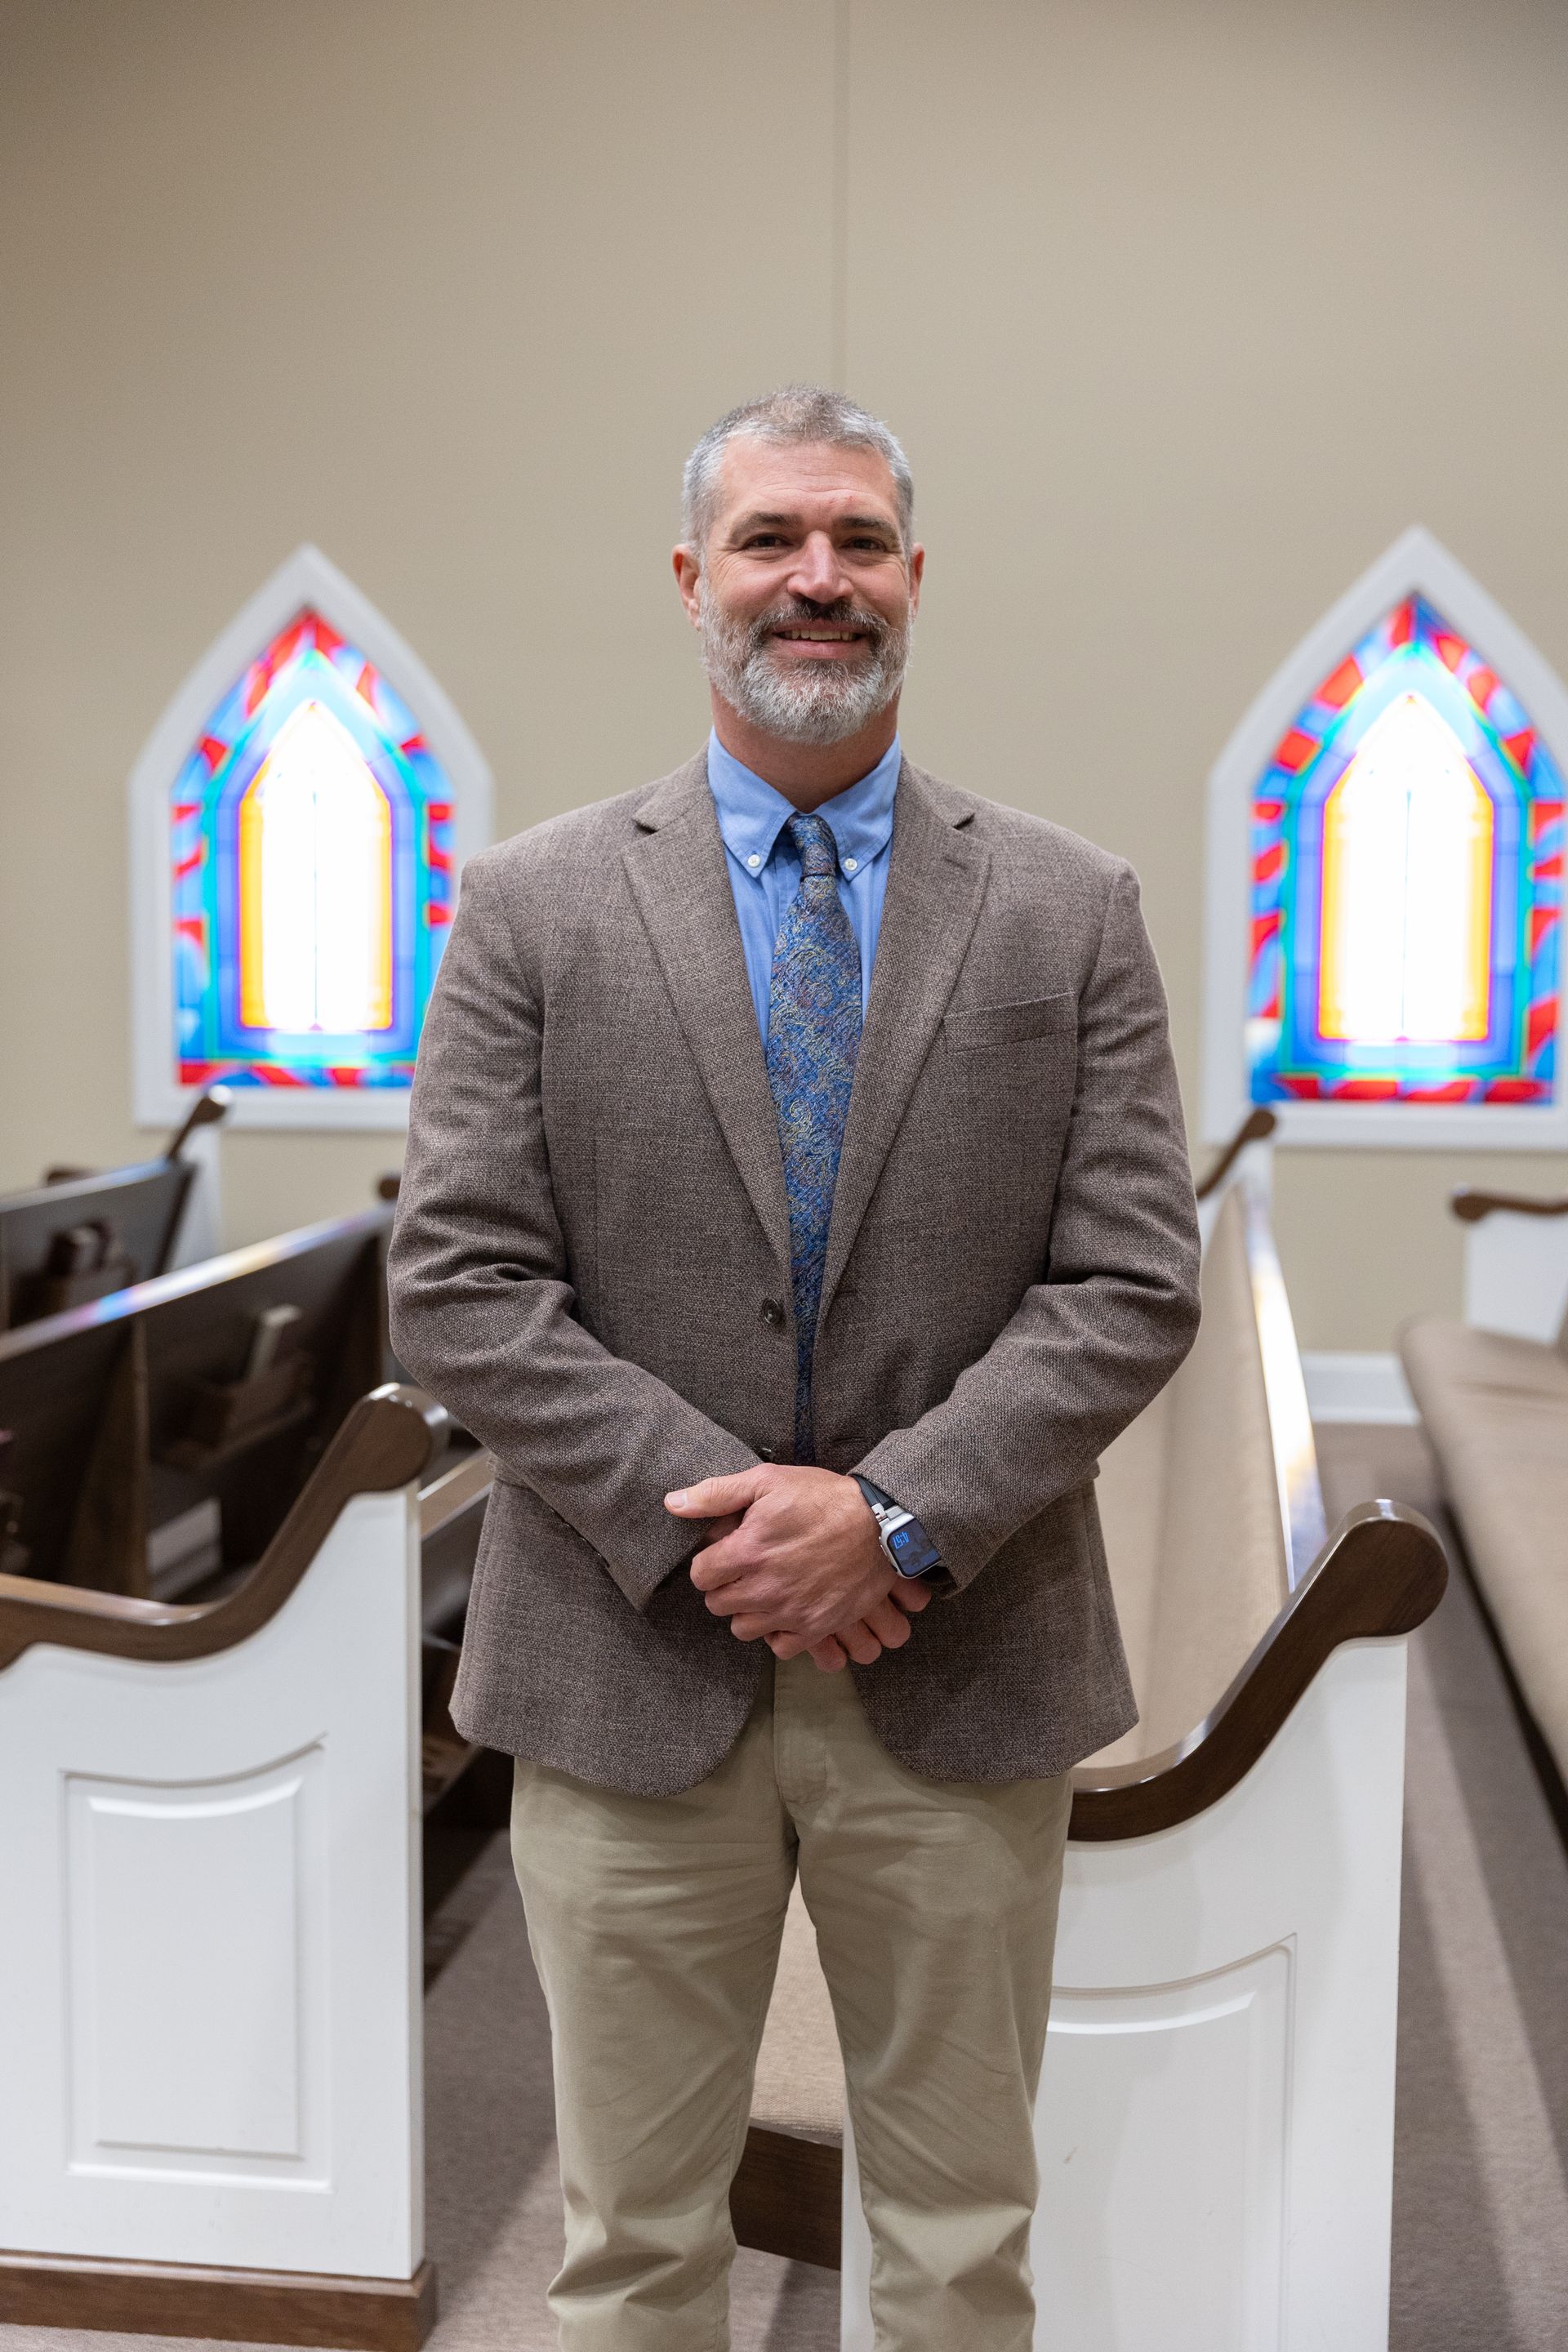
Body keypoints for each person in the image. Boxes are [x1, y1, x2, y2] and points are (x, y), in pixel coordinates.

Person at [388, 385, 1201, 2350]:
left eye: (854, 542)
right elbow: (459, 1276)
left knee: (954, 2241)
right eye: (770, 541)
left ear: (916, 579)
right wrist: (730, 1528)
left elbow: (1130, 1276)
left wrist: (894, 1518)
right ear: (694, 581)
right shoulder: (534, 905)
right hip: (627, 1657)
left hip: (964, 1652)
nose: (813, 581)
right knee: (632, 2246)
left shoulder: (1067, 907)